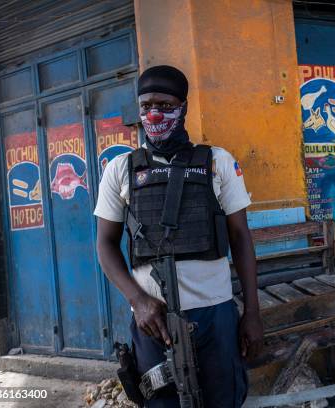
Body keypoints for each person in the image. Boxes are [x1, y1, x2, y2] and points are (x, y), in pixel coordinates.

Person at [95, 65, 263, 407]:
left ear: (183, 107)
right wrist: (137, 301)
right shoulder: (120, 169)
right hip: (152, 322)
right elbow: (105, 244)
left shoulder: (218, 161)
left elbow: (240, 238)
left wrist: (252, 312)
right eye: (146, 107)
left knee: (224, 399)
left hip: (214, 315)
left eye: (164, 105)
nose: (154, 114)